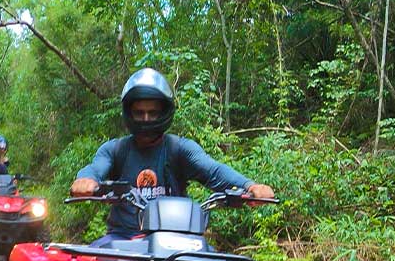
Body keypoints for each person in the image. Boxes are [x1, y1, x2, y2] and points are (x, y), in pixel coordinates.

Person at [70, 68, 274, 240]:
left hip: (176, 240)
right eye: (139, 113)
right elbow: (96, 168)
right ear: (128, 113)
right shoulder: (115, 150)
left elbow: (213, 171)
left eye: (153, 113)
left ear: (164, 112)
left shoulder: (179, 148)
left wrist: (250, 186)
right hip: (122, 239)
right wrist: (85, 180)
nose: (146, 119)